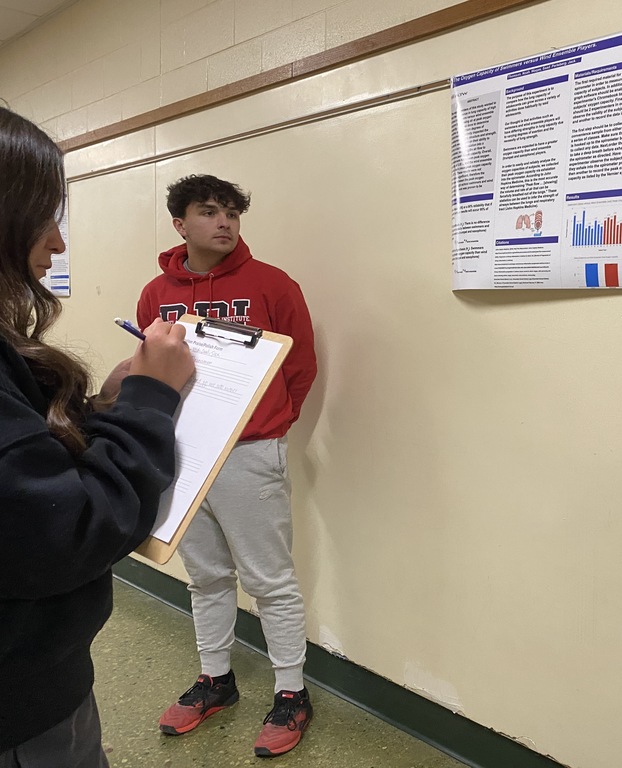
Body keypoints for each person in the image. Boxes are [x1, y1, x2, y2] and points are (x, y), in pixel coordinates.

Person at [0, 107, 194, 767]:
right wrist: (150, 401)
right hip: (19, 710)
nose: (57, 243)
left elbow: (21, 464)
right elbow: (66, 531)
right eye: (44, 214)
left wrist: (104, 407)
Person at [139, 174, 317, 758]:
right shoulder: (154, 292)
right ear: (180, 224)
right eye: (210, 212)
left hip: (248, 453)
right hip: (185, 453)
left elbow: (300, 364)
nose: (225, 223)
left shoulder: (271, 284)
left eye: (233, 214)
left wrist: (271, 424)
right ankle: (216, 679)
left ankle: (292, 692)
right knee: (208, 574)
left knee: (270, 580)